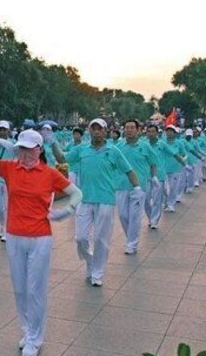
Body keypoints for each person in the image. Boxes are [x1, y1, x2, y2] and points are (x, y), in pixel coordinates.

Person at [0, 129, 83, 356]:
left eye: (29, 148)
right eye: (21, 148)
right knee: (19, 288)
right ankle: (26, 331)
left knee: (36, 289)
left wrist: (65, 211)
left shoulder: (49, 173)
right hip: (14, 235)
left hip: (40, 237)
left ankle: (36, 338)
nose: (24, 153)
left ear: (39, 149)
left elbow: (76, 193)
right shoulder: (10, 168)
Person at [52, 118, 142, 287]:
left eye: (99, 129)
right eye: (93, 129)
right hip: (84, 199)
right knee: (81, 238)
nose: (96, 132)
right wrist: (52, 142)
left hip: (105, 200)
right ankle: (90, 261)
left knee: (101, 239)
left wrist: (137, 188)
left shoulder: (113, 151)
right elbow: (62, 159)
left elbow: (129, 170)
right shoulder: (81, 149)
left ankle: (97, 272)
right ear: (89, 131)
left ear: (105, 131)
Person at [114, 119, 158, 255]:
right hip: (121, 185)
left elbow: (153, 162)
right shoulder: (118, 147)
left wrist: (154, 176)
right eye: (127, 127)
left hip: (139, 187)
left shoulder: (145, 146)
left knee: (135, 216)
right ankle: (131, 238)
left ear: (138, 130)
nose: (129, 130)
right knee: (122, 215)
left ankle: (132, 244)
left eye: (132, 127)